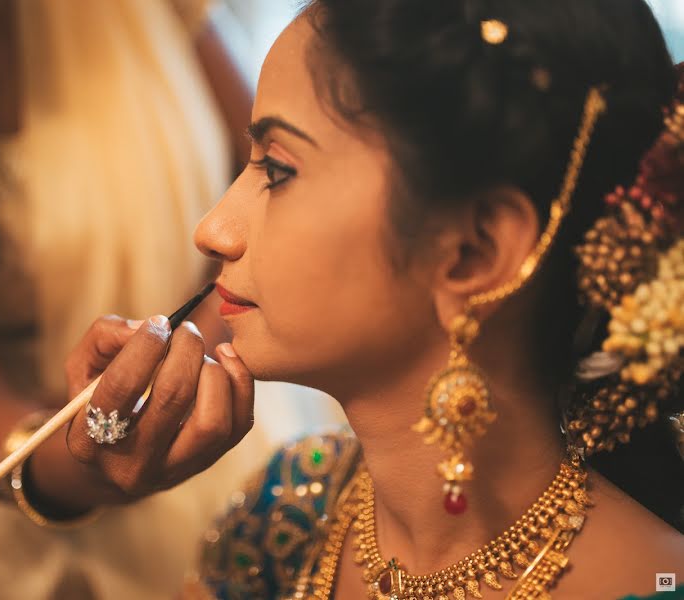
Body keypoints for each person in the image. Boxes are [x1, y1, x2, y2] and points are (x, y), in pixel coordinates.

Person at [140, 0, 683, 598]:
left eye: (278, 170)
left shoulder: (654, 581)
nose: (213, 229)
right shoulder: (285, 517)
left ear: (473, 254)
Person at [0, 1, 326, 598]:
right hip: (28, 530)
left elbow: (271, 168)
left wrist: (209, 335)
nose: (215, 228)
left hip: (238, 454)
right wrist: (80, 464)